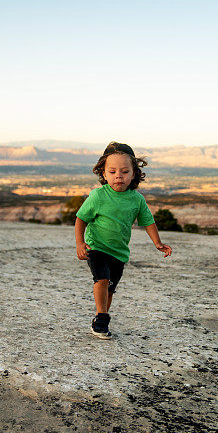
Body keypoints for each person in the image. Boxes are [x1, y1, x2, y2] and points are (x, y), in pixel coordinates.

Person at [74, 141, 173, 339]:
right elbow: (81, 219)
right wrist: (80, 243)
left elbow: (148, 222)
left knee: (110, 288)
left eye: (125, 171)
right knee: (101, 279)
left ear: (134, 173)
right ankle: (102, 318)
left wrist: (158, 243)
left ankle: (99, 318)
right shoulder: (98, 196)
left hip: (118, 253)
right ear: (103, 173)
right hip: (97, 247)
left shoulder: (137, 200)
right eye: (112, 171)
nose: (118, 175)